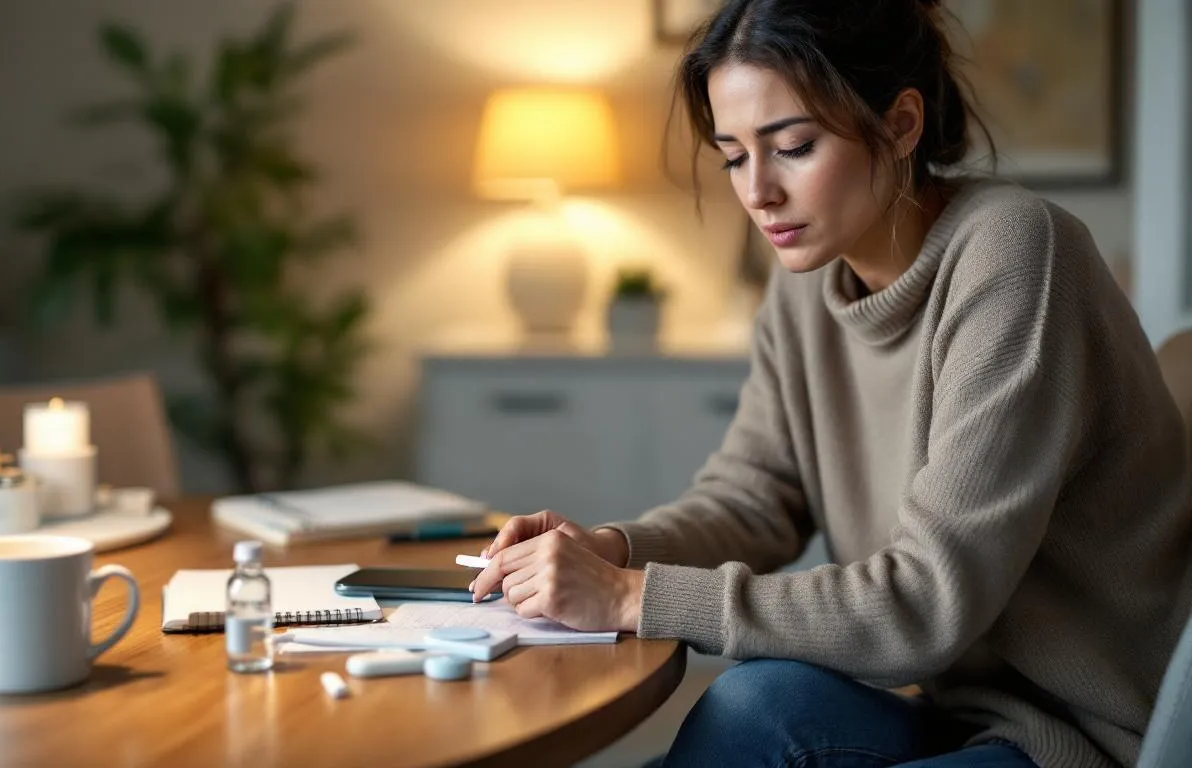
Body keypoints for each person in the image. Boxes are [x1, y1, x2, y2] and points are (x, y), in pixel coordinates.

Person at [467, 0, 1192, 766]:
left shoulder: (1015, 255)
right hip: (957, 710)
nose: (759, 194)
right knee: (755, 700)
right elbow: (754, 500)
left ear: (902, 124)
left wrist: (632, 597)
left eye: (794, 146)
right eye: (735, 156)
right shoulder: (806, 283)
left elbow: (922, 606)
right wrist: (611, 549)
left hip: (1090, 739)